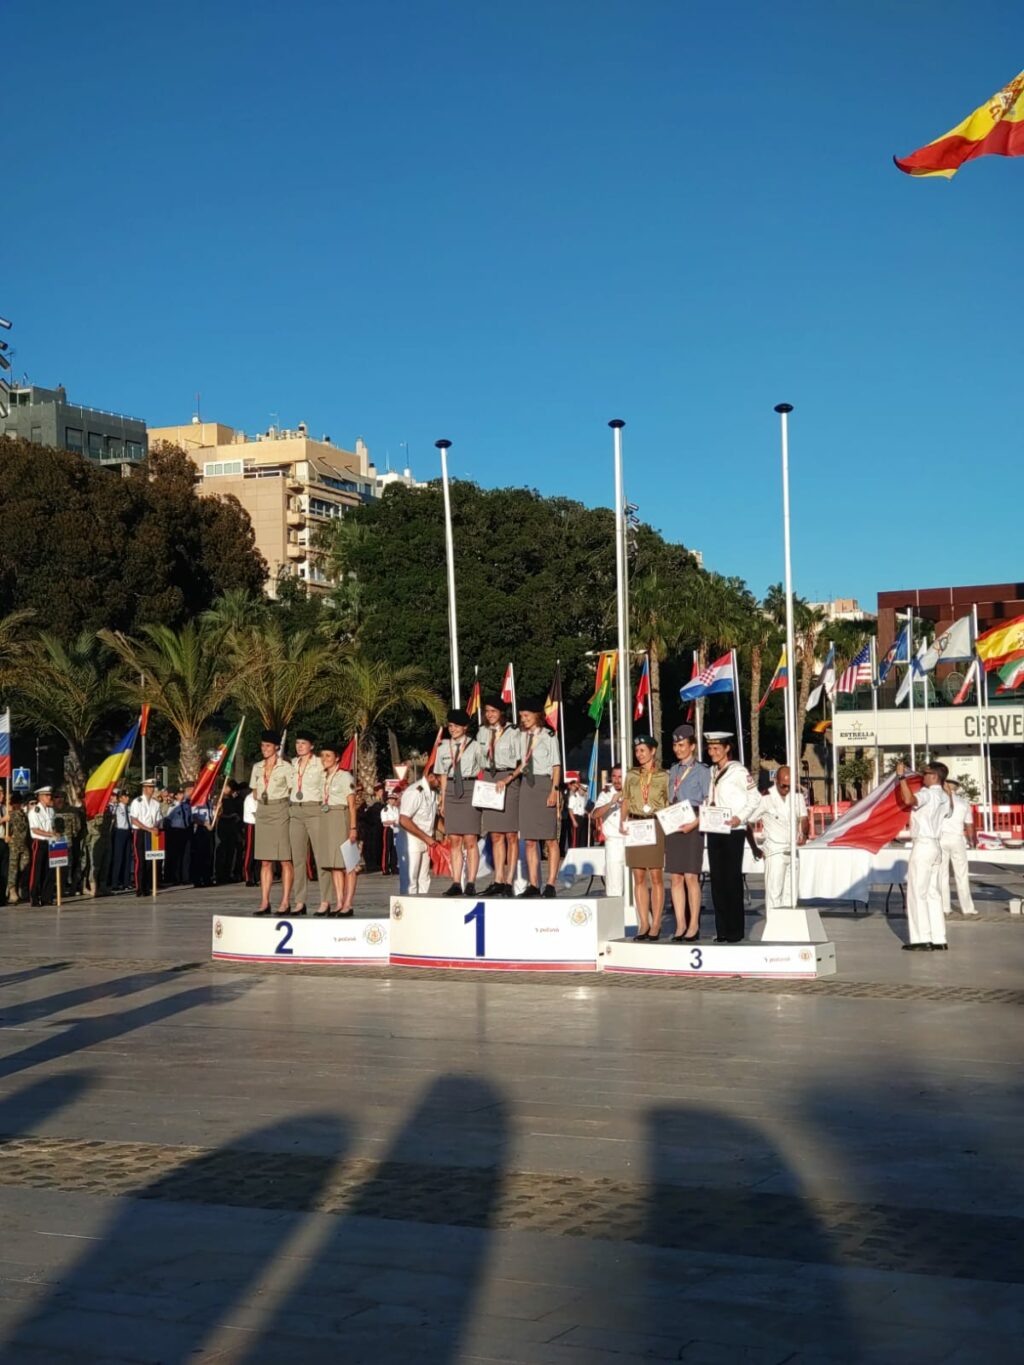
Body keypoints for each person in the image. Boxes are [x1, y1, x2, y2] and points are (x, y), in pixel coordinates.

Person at [704, 732, 759, 944]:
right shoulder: (712, 771)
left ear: (727, 748)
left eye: (717, 748)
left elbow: (754, 799)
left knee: (731, 880)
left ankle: (735, 931)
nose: (713, 752)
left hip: (733, 830)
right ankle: (722, 930)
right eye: (710, 748)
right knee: (716, 880)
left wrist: (740, 817)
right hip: (715, 827)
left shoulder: (738, 771)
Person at [506, 699, 561, 898]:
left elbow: (556, 765)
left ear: (537, 715)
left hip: (544, 784)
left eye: (527, 715)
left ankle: (551, 883)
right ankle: (534, 884)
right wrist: (509, 778)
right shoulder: (521, 736)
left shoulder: (549, 736)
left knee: (549, 838)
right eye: (521, 716)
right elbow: (523, 762)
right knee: (529, 839)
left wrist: (554, 790)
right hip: (527, 787)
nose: (524, 719)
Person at [896, 760, 951, 951]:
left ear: (934, 776)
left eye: (926, 773)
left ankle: (921, 938)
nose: (922, 777)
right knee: (933, 893)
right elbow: (948, 811)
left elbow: (910, 800)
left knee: (917, 893)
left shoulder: (927, 794)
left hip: (924, 844)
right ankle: (938, 937)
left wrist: (901, 777)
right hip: (936, 844)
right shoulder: (945, 796)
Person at [620, 734, 669, 939]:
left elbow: (669, 801)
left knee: (656, 875)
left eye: (643, 750)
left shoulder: (663, 776)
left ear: (653, 751)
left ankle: (656, 923)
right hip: (635, 823)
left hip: (655, 823)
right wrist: (623, 821)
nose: (639, 754)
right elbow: (626, 800)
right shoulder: (631, 775)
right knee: (638, 875)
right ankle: (643, 923)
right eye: (637, 751)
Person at [665, 724, 711, 940]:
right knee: (675, 877)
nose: (678, 749)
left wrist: (695, 823)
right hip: (674, 820)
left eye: (682, 745)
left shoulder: (702, 771)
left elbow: (708, 802)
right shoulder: (673, 770)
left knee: (691, 876)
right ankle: (680, 924)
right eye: (675, 745)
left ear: (692, 746)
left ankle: (694, 924)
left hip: (693, 822)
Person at [434, 708, 484, 896]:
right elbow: (443, 776)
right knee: (454, 839)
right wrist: (443, 799)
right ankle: (456, 882)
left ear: (465, 727)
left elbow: (484, 767)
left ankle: (471, 882)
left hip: (470, 788)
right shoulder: (443, 748)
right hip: (452, 792)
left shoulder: (475, 746)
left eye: (456, 726)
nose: (453, 729)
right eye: (450, 726)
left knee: (470, 838)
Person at [477, 697, 523, 897]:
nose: (490, 715)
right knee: (495, 833)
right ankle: (497, 879)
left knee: (511, 834)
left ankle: (509, 880)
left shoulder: (514, 732)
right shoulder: (482, 731)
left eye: (493, 711)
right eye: (487, 711)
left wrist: (509, 778)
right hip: (489, 777)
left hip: (509, 778)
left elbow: (524, 761)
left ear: (502, 713)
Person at [748, 765, 809, 914]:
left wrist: (804, 834)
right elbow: (748, 822)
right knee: (774, 893)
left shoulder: (797, 796)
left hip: (793, 850)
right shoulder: (766, 798)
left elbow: (804, 818)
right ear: (776, 781)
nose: (787, 789)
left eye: (790, 786)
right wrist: (755, 847)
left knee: (791, 894)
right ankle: (773, 927)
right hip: (775, 851)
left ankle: (788, 927)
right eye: (783, 786)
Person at [250, 730, 294, 916]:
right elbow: (254, 791)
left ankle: (285, 901)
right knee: (265, 860)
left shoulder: (286, 767)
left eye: (268, 746)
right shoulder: (257, 767)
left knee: (284, 858)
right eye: (262, 745)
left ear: (277, 747)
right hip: (263, 810)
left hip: (281, 808)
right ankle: (264, 901)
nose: (264, 749)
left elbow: (293, 789)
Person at [315, 742, 358, 916]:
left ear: (337, 758)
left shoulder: (345, 776)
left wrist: (353, 827)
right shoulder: (322, 776)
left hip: (341, 816)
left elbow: (352, 804)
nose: (324, 759)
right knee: (334, 864)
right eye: (322, 756)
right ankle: (339, 901)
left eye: (328, 756)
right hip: (327, 817)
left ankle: (348, 903)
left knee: (348, 863)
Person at [288, 731, 324, 915]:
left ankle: (326, 900)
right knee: (298, 860)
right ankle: (300, 901)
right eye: (297, 743)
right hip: (296, 810)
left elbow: (325, 787)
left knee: (320, 857)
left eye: (303, 743)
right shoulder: (292, 764)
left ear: (311, 746)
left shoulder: (319, 764)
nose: (299, 746)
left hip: (314, 809)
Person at [397, 770, 441, 895]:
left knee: (424, 879)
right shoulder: (415, 792)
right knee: (410, 880)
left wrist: (450, 832)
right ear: (431, 776)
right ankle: (409, 912)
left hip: (426, 839)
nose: (441, 783)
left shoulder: (432, 792)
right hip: (411, 840)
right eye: (439, 779)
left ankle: (422, 911)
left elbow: (433, 819)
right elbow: (404, 820)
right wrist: (426, 838)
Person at [940, 778, 977, 917]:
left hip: (941, 838)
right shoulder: (963, 803)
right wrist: (972, 841)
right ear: (956, 788)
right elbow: (969, 825)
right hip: (957, 839)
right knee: (961, 874)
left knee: (942, 875)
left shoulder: (940, 801)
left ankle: (945, 908)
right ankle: (967, 908)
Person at [591, 767, 626, 898]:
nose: (616, 780)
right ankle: (615, 914)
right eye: (614, 776)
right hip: (614, 842)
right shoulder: (605, 793)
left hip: (631, 840)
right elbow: (594, 815)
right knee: (614, 882)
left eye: (620, 777)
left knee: (634, 882)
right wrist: (611, 803)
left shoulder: (632, 791)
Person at [130, 779, 163, 897]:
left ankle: (147, 886)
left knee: (150, 861)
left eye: (153, 787)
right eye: (149, 787)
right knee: (140, 861)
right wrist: (148, 829)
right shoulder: (137, 802)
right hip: (139, 832)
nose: (152, 789)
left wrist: (155, 827)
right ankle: (139, 887)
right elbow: (134, 819)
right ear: (144, 788)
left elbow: (158, 818)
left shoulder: (156, 803)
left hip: (151, 832)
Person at [27, 786, 58, 907]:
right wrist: (50, 833)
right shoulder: (35, 811)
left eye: (50, 795)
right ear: (40, 797)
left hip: (50, 842)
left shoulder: (51, 810)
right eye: (46, 795)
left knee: (49, 870)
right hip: (39, 842)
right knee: (36, 871)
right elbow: (35, 829)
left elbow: (52, 826)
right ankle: (34, 897)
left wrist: (55, 833)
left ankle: (47, 897)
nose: (49, 797)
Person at [215, 779, 244, 884]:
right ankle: (220, 875)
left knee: (230, 852)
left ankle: (228, 874)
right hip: (223, 827)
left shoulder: (232, 799)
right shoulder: (219, 799)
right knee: (222, 852)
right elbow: (218, 814)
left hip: (232, 829)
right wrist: (230, 816)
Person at [6, 793, 30, 905]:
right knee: (13, 869)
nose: (17, 805)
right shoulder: (10, 815)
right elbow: (7, 829)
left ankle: (19, 886)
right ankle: (12, 891)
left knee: (24, 865)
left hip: (23, 844)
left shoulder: (23, 815)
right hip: (14, 845)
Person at [164, 788, 192, 885]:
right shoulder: (172, 807)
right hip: (175, 831)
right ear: (175, 796)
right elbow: (167, 820)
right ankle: (175, 877)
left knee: (186, 855)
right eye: (179, 794)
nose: (182, 796)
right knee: (176, 856)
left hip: (185, 830)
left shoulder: (186, 806)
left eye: (182, 794)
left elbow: (189, 818)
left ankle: (185, 877)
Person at [109, 791, 133, 893]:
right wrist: (114, 802)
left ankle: (126, 882)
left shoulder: (129, 808)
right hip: (119, 832)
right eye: (125, 796)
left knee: (127, 857)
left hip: (128, 832)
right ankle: (115, 882)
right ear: (120, 798)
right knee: (118, 857)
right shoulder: (116, 808)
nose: (127, 798)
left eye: (128, 796)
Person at [359, 784, 385, 873]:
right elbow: (363, 815)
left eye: (382, 791)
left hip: (378, 829)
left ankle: (377, 864)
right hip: (370, 829)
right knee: (370, 847)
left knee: (378, 846)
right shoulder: (370, 802)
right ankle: (371, 865)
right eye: (380, 791)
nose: (382, 793)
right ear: (376, 792)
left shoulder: (382, 802)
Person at [242, 785, 258, 887]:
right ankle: (248, 876)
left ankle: (256, 876)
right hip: (251, 825)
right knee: (249, 851)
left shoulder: (260, 798)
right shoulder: (250, 798)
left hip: (260, 826)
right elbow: (256, 814)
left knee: (258, 852)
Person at [381, 792, 400, 874]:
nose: (392, 801)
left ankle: (394, 867)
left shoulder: (396, 809)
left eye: (394, 799)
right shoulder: (385, 809)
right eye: (391, 799)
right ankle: (385, 868)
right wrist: (393, 822)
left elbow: (399, 819)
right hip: (388, 829)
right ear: (388, 800)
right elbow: (384, 821)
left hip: (396, 830)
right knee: (386, 849)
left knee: (394, 849)